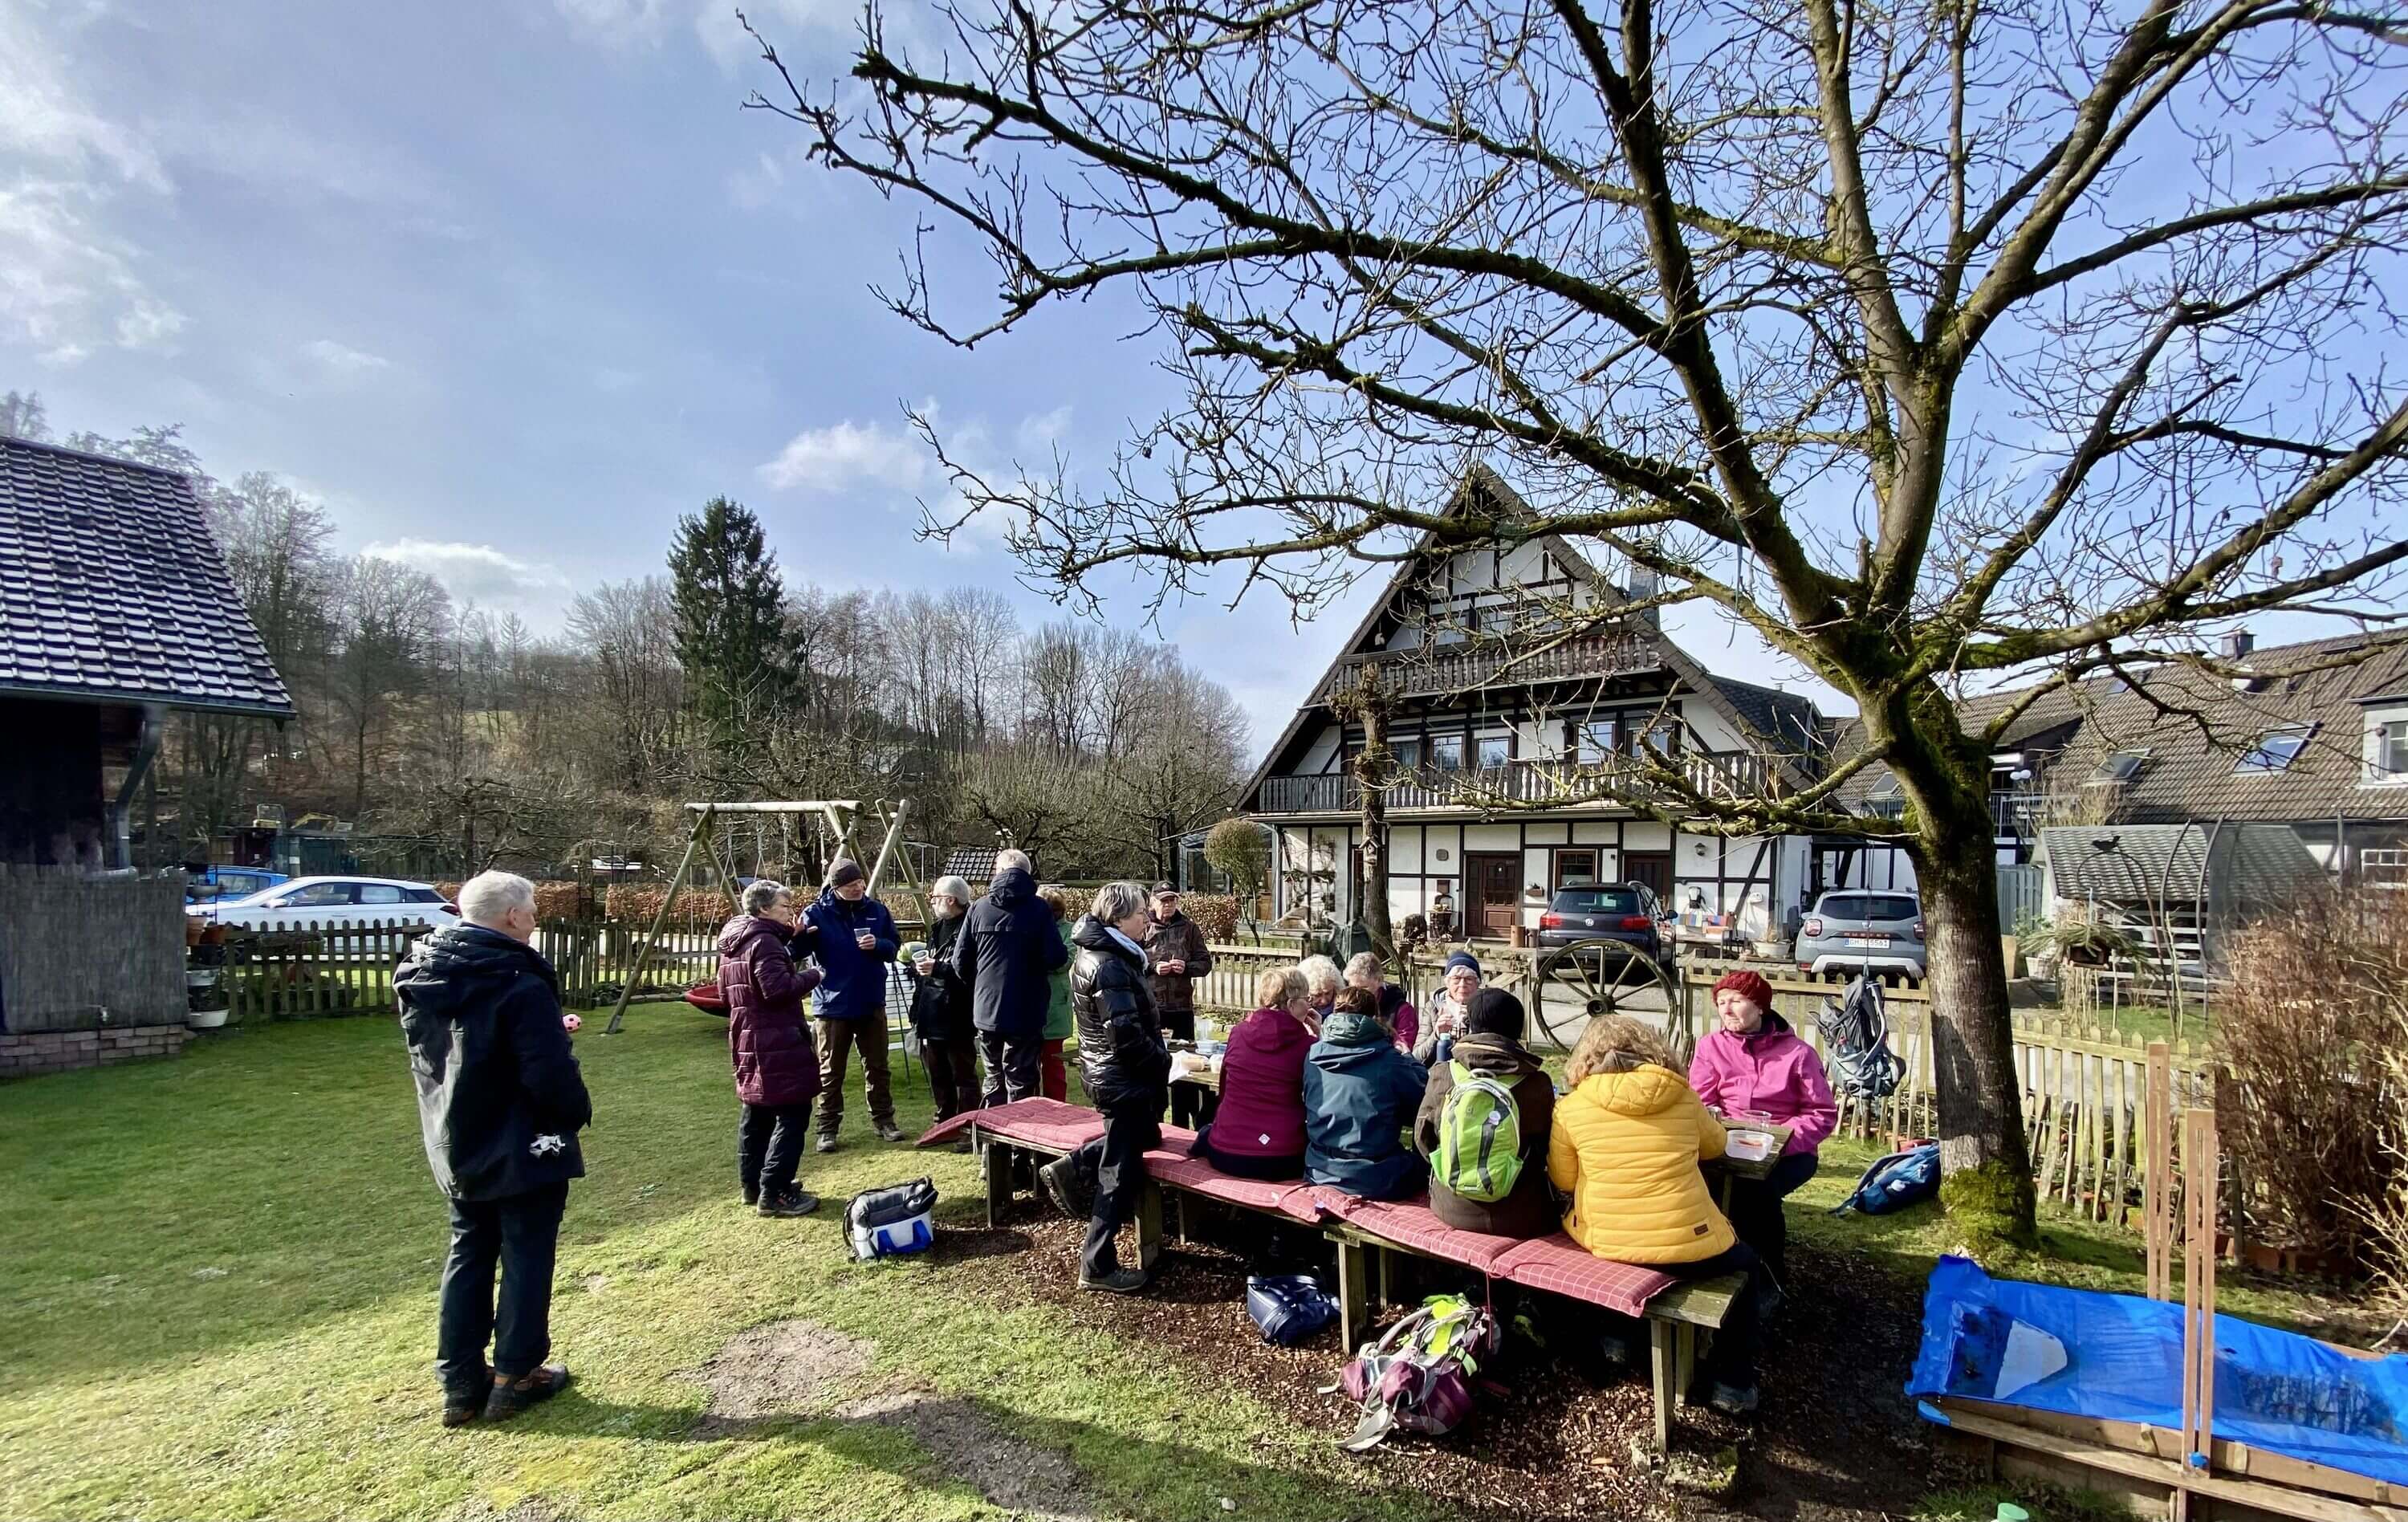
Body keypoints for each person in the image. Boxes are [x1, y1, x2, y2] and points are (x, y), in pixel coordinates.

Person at [396, 869, 592, 1428]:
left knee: (470, 1249)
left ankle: (459, 1382)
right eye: (531, 908)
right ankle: (516, 1374)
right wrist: (574, 1111)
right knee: (526, 1252)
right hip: (520, 1139)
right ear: (511, 915)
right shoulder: (516, 978)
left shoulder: (423, 970)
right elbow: (546, 1073)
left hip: (457, 1133)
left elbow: (460, 1048)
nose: (536, 917)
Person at [1550, 1014, 1767, 1416]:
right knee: (1748, 1265)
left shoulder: (1571, 1107)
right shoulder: (1681, 1095)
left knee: (1616, 1256)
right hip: (1691, 1244)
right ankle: (1733, 1383)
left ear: (1586, 1057)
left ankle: (1616, 1341)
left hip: (1611, 1242)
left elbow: (1564, 1178)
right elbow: (1716, 1146)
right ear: (1651, 1050)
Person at [1039, 881, 1172, 1293]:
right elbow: (1125, 1037)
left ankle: (1075, 1163)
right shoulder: (1108, 963)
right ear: (1117, 918)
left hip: (1115, 1075)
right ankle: (1096, 1263)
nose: (1147, 919)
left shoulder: (1111, 955)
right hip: (1122, 1079)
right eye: (1140, 913)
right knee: (1118, 1173)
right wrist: (1164, 1060)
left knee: (1147, 1135)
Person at [1686, 968, 1837, 1288]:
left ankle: (1768, 1275)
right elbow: (1701, 1103)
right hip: (1727, 1146)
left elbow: (1821, 1114)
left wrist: (1777, 1142)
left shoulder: (1799, 1054)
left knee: (1757, 1194)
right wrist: (1719, 1132)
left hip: (1789, 1152)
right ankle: (1722, 1265)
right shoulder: (1710, 1047)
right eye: (1721, 1002)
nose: (1727, 1009)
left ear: (1760, 1006)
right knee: (1708, 1189)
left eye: (1736, 1001)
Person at [717, 881, 825, 1218]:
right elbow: (777, 990)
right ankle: (775, 1192)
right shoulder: (764, 942)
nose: (791, 912)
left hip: (746, 1038)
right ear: (764, 909)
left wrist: (791, 938)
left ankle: (752, 1186)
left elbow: (724, 993)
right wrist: (813, 976)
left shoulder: (735, 941)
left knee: (757, 1115)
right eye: (785, 907)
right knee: (793, 1114)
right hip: (776, 1041)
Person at [1413, 987, 1558, 1238]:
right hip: (1521, 1213)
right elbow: (1548, 1147)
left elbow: (1422, 1138)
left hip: (1452, 1207)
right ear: (1517, 1029)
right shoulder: (1538, 1083)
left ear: (1471, 1025)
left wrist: (1448, 1169)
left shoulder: (1444, 1072)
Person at [951, 848, 1069, 1107]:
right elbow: (1057, 957)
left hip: (987, 1007)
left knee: (993, 1077)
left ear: (999, 872)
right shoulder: (1039, 909)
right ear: (1028, 873)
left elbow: (960, 961)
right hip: (1027, 1007)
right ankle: (1020, 1132)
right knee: (1022, 1080)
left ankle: (991, 1131)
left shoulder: (979, 908)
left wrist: (981, 984)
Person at [804, 859, 904, 1152]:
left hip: (871, 1000)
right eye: (851, 885)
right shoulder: (816, 913)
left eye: (860, 883)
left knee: (878, 1067)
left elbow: (894, 947)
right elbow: (797, 950)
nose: (859, 888)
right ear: (836, 887)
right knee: (830, 1071)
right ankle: (827, 1129)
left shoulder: (877, 910)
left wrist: (879, 945)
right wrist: (795, 937)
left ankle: (884, 1121)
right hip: (832, 1005)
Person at [1303, 986, 1430, 1201]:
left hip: (1319, 1169)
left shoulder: (1313, 1055)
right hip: (1375, 1176)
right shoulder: (1390, 1060)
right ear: (1374, 1017)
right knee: (1426, 1164)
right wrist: (1409, 1058)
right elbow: (1421, 1104)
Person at [1191, 966, 1316, 1180]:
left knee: (1206, 1129)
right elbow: (1319, 1098)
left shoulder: (1238, 1033)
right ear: (1291, 1004)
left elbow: (1224, 1088)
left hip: (1226, 1152)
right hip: (1283, 1157)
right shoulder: (1307, 1046)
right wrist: (1320, 1038)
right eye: (1307, 999)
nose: (1310, 1005)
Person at [906, 875, 978, 1123]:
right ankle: (944, 1120)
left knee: (963, 1073)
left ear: (950, 900)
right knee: (938, 1072)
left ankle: (968, 1123)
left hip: (958, 1011)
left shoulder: (971, 927)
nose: (932, 901)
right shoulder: (938, 928)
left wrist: (938, 968)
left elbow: (970, 970)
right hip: (932, 1009)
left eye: (936, 897)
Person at [1142, 883, 1214, 1043]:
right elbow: (1131, 963)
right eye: (1164, 901)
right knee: (1151, 1051)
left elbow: (1205, 963)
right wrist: (1153, 967)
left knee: (1185, 1052)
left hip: (1181, 1007)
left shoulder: (1189, 928)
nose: (1168, 905)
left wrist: (1186, 968)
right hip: (1151, 1005)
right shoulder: (1143, 927)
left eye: (1172, 900)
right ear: (1153, 902)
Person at [1036, 884, 1076, 1102]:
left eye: (1057, 910)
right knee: (1027, 1066)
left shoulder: (1069, 930)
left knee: (1053, 1065)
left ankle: (1056, 1106)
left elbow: (1065, 961)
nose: (1055, 915)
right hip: (1030, 1002)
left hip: (1056, 1004)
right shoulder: (1029, 926)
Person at [1413, 951, 1481, 1064]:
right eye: (1456, 978)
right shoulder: (1433, 1007)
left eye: (1469, 979)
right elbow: (1416, 1057)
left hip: (1473, 1071)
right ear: (1447, 982)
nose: (1462, 984)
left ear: (1477, 983)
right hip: (1438, 1071)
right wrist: (1436, 1035)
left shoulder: (1485, 1008)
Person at [1344, 950, 1419, 1052]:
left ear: (1379, 980)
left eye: (1364, 988)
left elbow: (1403, 1048)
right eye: (1354, 988)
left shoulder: (1402, 1010)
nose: (1358, 994)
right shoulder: (1346, 1005)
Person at [1296, 954, 1344, 1019]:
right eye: (1317, 995)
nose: (1324, 1001)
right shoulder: (1296, 1012)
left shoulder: (1344, 1009)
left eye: (1328, 993)